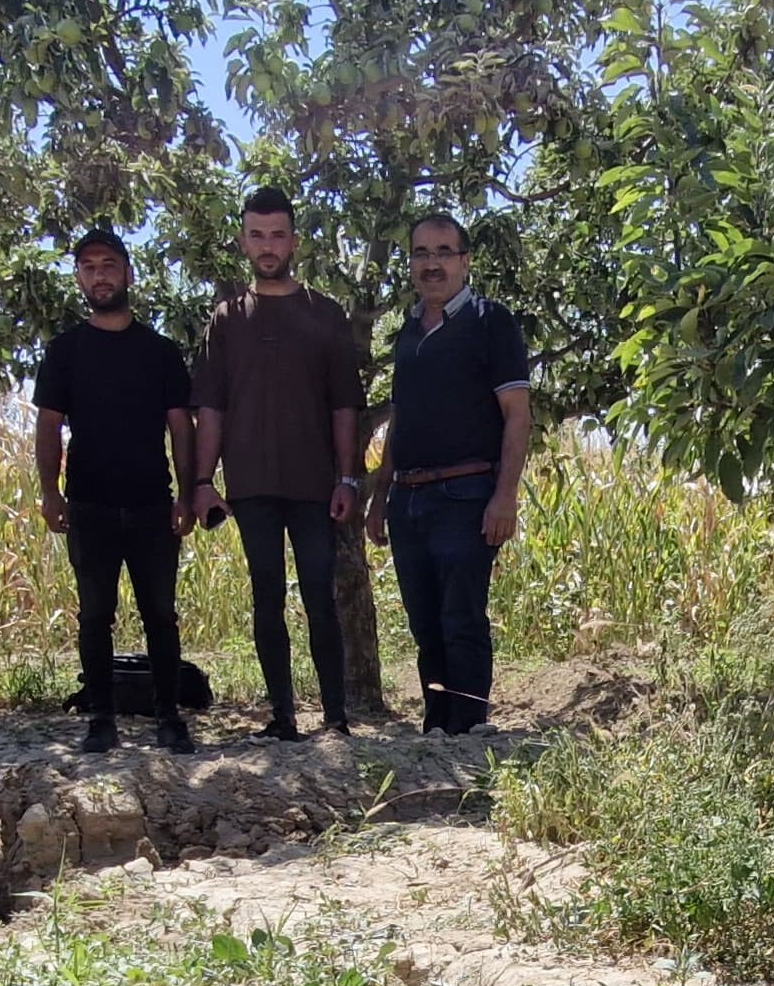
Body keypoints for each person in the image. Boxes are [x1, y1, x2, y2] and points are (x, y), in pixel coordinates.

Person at [192, 186, 366, 737]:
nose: (268, 246)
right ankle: (282, 717)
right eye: (257, 235)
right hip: (250, 485)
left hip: (315, 483)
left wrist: (346, 477)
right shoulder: (225, 320)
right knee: (266, 596)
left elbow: (345, 405)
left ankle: (335, 717)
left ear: (293, 240)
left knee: (321, 594)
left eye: (278, 235)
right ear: (244, 242)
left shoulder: (325, 313)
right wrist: (202, 480)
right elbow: (211, 409)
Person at [31, 228, 199, 754]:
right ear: (79, 278)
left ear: (127, 272)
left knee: (160, 615)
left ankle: (169, 717)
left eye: (108, 265)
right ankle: (100, 717)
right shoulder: (64, 351)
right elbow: (48, 426)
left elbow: (181, 428)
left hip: (152, 503)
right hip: (89, 503)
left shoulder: (161, 351)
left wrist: (189, 493)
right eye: (88, 267)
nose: (99, 275)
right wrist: (49, 492)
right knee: (94, 614)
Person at [365, 211, 532, 734]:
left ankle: (469, 729)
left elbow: (518, 415)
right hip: (409, 498)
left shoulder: (492, 322)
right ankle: (436, 729)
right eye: (421, 253)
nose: (431, 264)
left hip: (467, 493)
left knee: (461, 618)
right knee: (425, 623)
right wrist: (379, 493)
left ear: (464, 260)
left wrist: (504, 497)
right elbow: (402, 418)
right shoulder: (409, 333)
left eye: (443, 252)